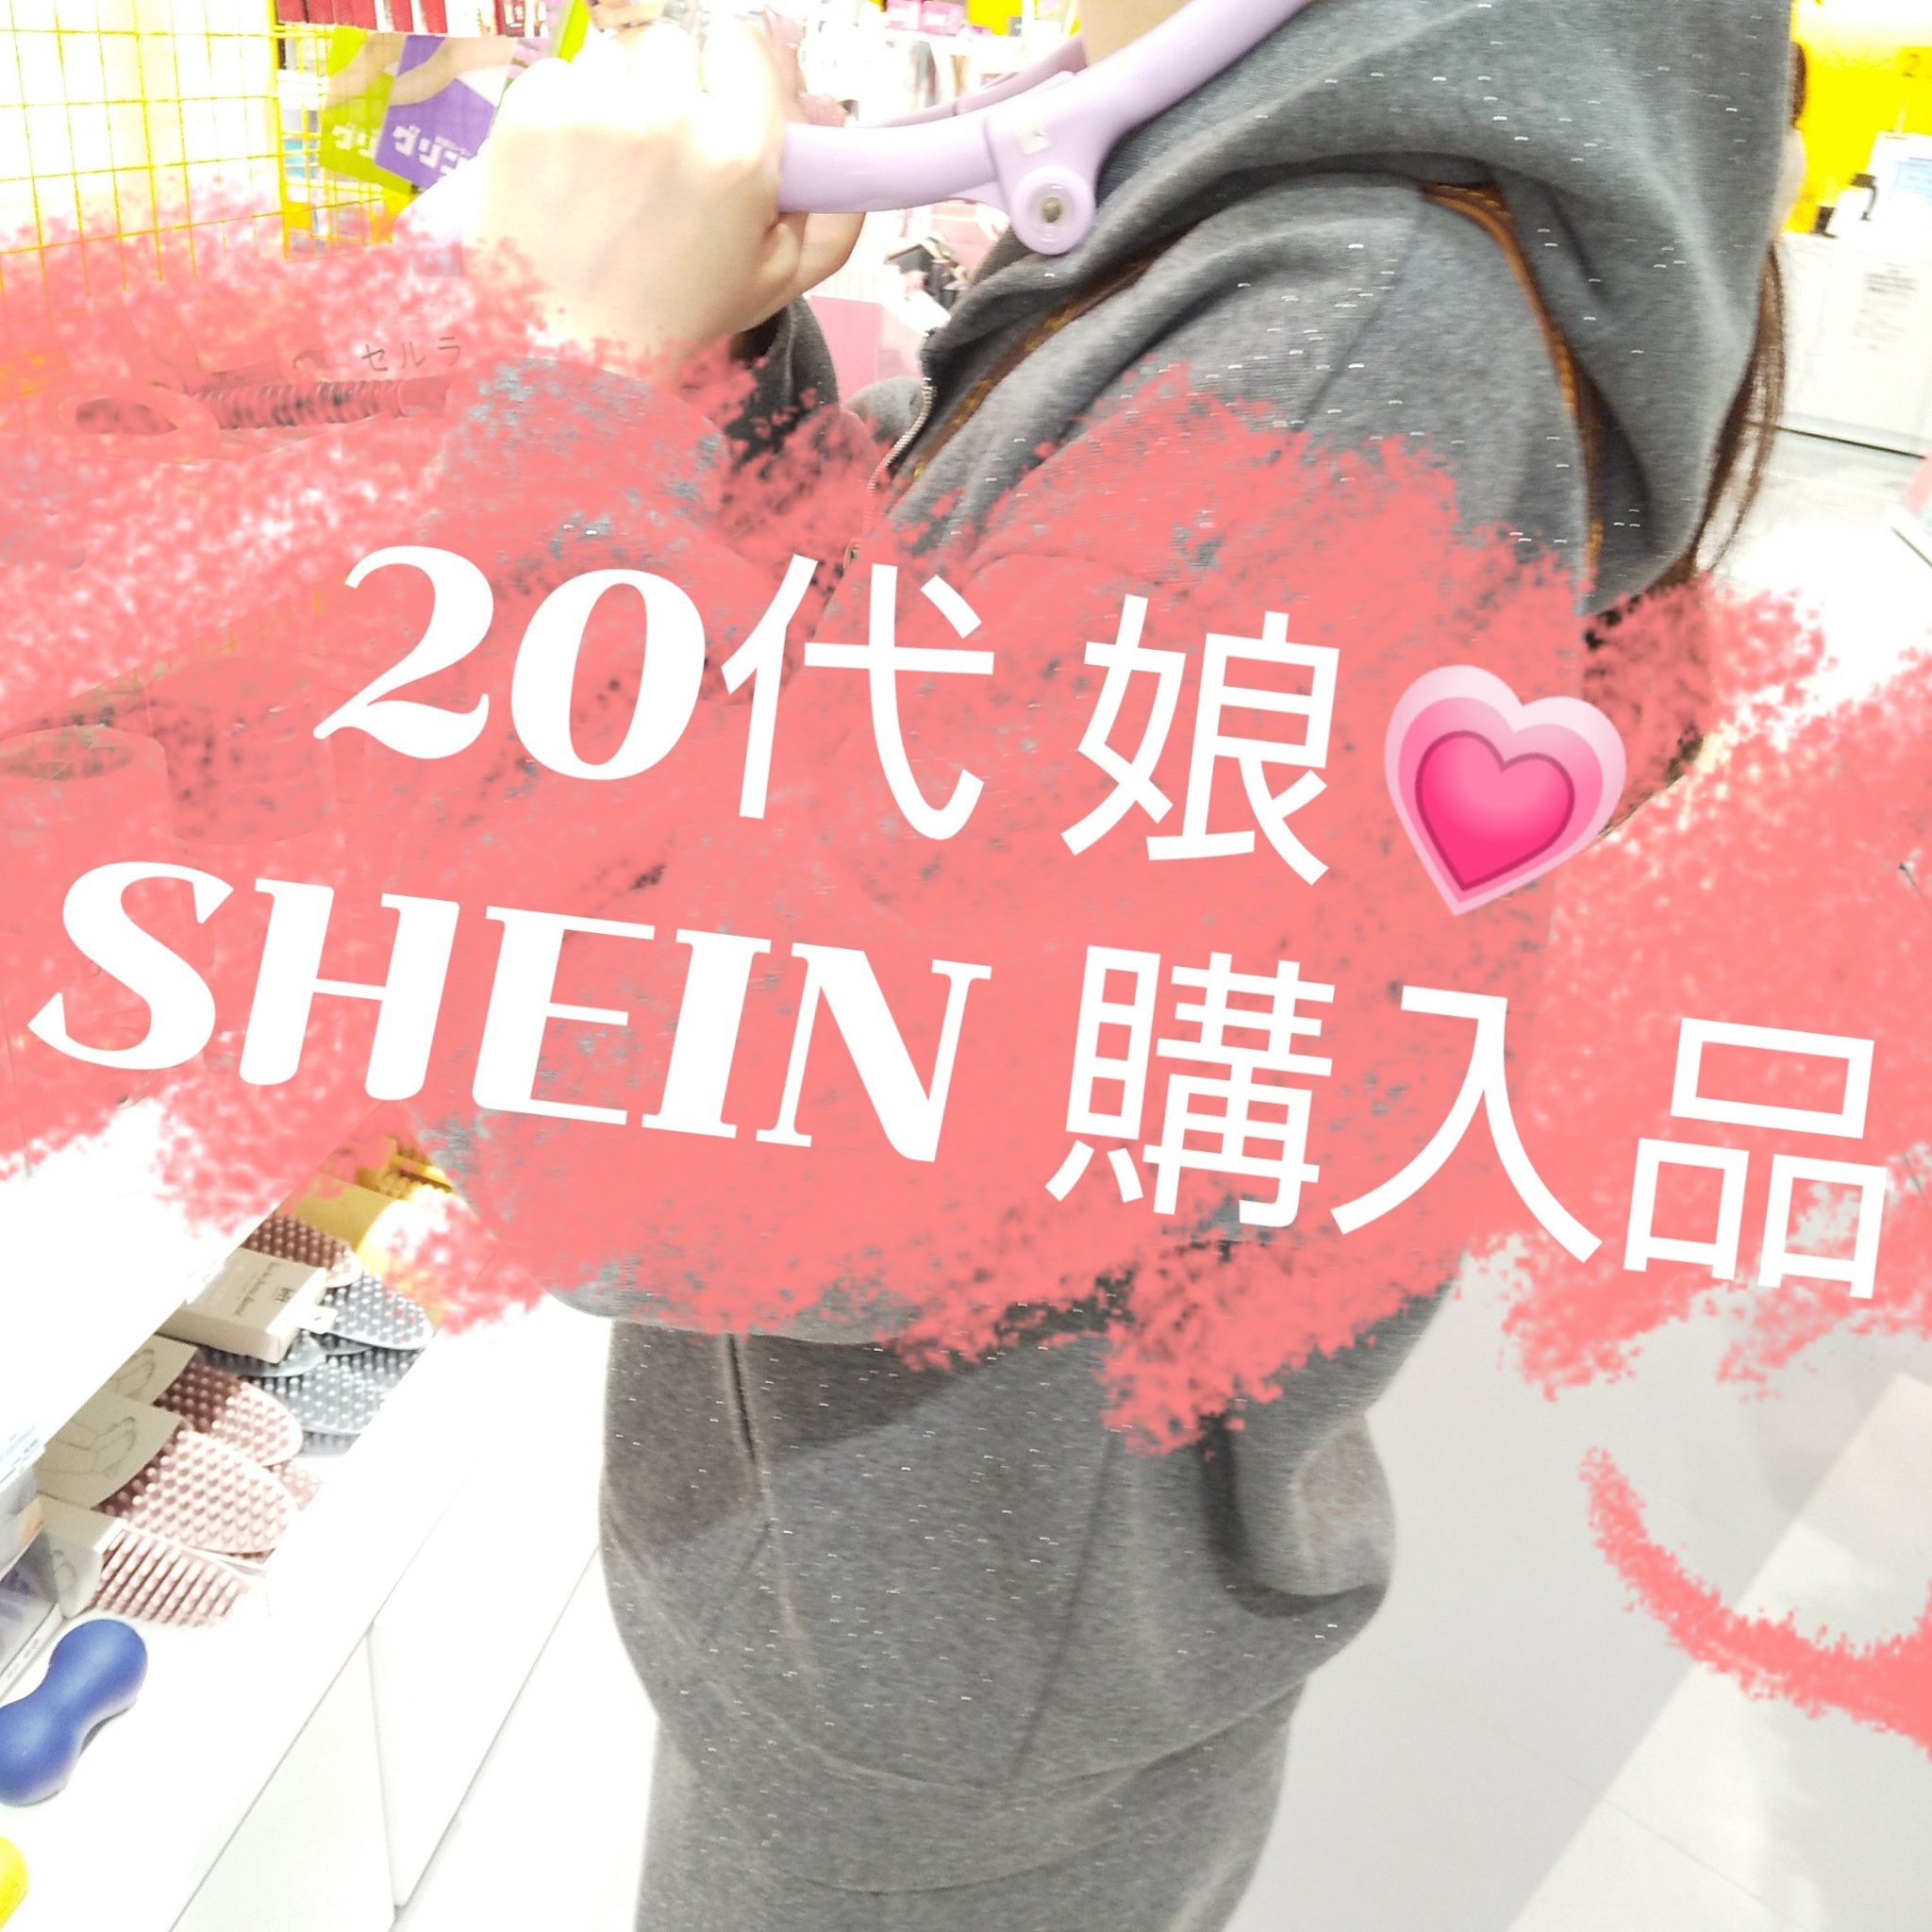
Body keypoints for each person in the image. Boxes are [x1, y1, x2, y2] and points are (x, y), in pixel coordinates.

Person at [467, 2, 1790, 1926]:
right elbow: (898, 744)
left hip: (946, 1696)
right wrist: (709, 370)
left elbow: (635, 1138)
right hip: (939, 1628)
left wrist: (566, 394)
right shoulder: (1263, 224)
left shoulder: (1338, 339)